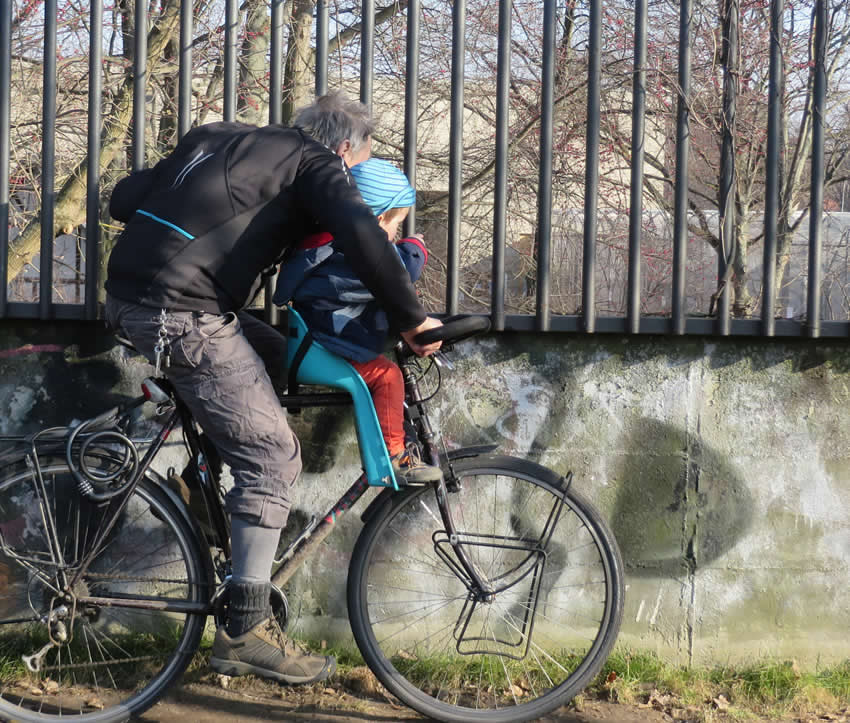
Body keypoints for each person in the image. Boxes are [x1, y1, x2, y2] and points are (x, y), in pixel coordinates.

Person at [103, 91, 442, 686]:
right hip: (180, 313)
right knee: (272, 454)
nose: (357, 184)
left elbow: (122, 199)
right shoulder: (319, 166)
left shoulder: (219, 135)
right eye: (358, 170)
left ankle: (221, 524)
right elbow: (366, 241)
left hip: (137, 297)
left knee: (282, 358)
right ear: (344, 151)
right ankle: (243, 632)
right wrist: (412, 320)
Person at [274, 157, 442, 484]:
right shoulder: (348, 254)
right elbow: (401, 268)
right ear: (377, 220)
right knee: (388, 376)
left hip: (318, 342)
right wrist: (415, 246)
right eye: (395, 227)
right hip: (322, 350)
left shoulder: (322, 245)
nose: (393, 236)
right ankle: (395, 457)